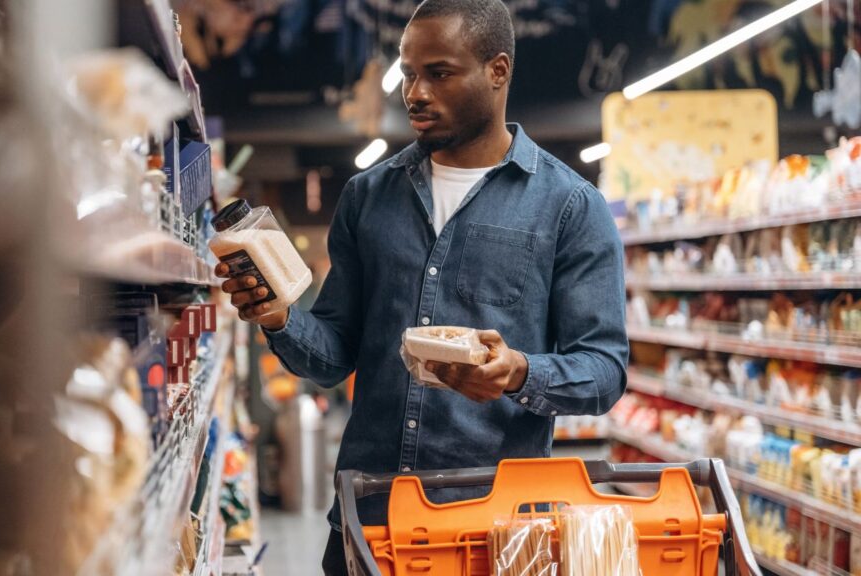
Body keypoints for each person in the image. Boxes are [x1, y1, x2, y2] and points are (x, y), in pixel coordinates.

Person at [216, 0, 628, 572]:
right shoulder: (367, 198)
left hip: (494, 530)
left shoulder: (570, 208)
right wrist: (281, 317)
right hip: (370, 519)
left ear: (497, 71)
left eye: (438, 73)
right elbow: (336, 354)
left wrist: (518, 373)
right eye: (408, 72)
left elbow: (605, 370)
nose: (414, 93)